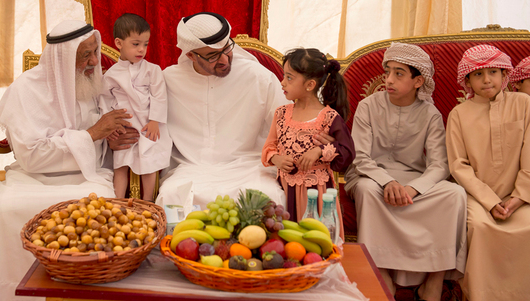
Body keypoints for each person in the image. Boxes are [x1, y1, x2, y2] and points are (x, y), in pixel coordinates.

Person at [0, 20, 133, 301]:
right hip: (32, 178)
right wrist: (94, 133)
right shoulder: (25, 90)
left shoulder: (91, 82)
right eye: (85, 55)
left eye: (95, 51)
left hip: (89, 176)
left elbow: (100, 137)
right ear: (62, 57)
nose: (95, 61)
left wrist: (111, 139)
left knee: (101, 207)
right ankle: (11, 293)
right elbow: (32, 156)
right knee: (6, 209)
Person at [344, 42, 467, 301]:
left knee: (454, 194)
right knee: (367, 190)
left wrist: (414, 188)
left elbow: (439, 164)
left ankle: (434, 279)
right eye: (387, 71)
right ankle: (380, 273)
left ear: (418, 81)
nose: (388, 79)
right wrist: (387, 182)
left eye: (399, 73)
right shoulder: (368, 106)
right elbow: (361, 157)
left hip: (413, 179)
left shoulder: (430, 114)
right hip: (370, 175)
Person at [156, 12, 289, 209]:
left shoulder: (257, 76)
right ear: (191, 55)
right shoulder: (168, 81)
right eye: (212, 56)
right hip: (191, 169)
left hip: (249, 168)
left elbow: (286, 124)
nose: (224, 60)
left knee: (268, 197)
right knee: (170, 196)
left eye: (227, 49)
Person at [446, 44, 530, 301]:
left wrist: (519, 196)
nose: (486, 79)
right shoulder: (459, 114)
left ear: (505, 76)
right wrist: (490, 201)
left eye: (493, 72)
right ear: (468, 81)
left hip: (521, 197)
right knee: (480, 229)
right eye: (478, 74)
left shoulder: (524, 104)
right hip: (478, 198)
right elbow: (458, 165)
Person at [261, 48, 354, 230]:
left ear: (310, 85)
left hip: (317, 193)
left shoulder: (329, 117)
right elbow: (268, 147)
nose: (282, 83)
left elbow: (347, 151)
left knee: (314, 240)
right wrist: (277, 158)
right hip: (285, 190)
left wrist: (319, 151)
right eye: (284, 76)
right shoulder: (281, 114)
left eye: (289, 78)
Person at [103, 13, 172, 201]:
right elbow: (105, 101)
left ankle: (148, 201)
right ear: (119, 43)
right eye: (136, 44)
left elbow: (159, 95)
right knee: (120, 165)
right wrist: (113, 126)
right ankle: (117, 203)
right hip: (124, 126)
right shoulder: (111, 75)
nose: (142, 49)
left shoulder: (153, 70)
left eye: (145, 44)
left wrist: (155, 121)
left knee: (149, 163)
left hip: (147, 125)